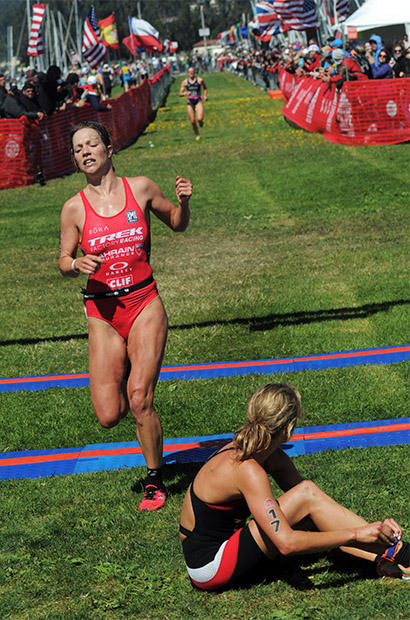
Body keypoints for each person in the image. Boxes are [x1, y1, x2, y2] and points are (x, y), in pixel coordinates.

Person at [59, 121, 193, 511]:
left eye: (91, 144)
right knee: (109, 415)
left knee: (139, 399)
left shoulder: (142, 188)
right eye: (78, 149)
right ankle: (127, 363)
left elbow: (177, 223)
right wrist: (75, 264)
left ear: (109, 148)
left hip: (143, 303)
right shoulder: (73, 208)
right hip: (102, 312)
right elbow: (63, 260)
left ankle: (155, 479)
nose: (85, 152)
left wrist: (184, 203)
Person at [179, 383, 409, 591]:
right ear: (289, 429)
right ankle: (400, 555)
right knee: (306, 495)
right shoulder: (248, 470)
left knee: (309, 503)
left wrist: (376, 531)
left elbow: (318, 509)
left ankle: (391, 554)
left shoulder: (263, 453)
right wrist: (357, 533)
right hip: (209, 566)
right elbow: (287, 543)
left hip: (229, 543)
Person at [179, 67, 208, 140]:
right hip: (190, 102)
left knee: (199, 118)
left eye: (192, 71)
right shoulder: (185, 82)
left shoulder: (199, 80)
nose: (191, 73)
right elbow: (180, 93)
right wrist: (185, 93)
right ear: (188, 73)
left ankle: (200, 122)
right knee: (192, 121)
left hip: (198, 101)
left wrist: (205, 95)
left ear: (194, 72)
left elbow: (205, 87)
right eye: (190, 71)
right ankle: (197, 134)